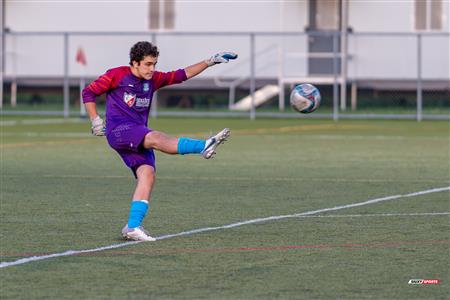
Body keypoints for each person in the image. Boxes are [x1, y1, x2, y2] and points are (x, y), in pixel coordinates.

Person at [82, 41, 237, 241]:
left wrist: (209, 62)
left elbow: (182, 75)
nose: (152, 68)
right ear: (135, 63)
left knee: (147, 174)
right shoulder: (117, 75)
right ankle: (202, 146)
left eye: (154, 64)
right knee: (154, 137)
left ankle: (133, 226)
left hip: (137, 134)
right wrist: (95, 120)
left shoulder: (153, 79)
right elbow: (88, 92)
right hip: (119, 131)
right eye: (147, 64)